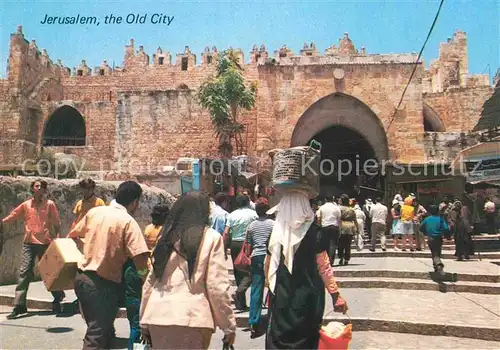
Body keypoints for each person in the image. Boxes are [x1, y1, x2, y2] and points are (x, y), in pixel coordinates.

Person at [139, 191, 237, 349]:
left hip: (157, 316)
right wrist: (228, 326)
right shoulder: (211, 237)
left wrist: (144, 320)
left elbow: (151, 281)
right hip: (193, 318)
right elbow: (216, 286)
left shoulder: (165, 238)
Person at [69, 181, 150, 350]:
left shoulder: (95, 212)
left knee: (103, 332)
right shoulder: (128, 221)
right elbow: (140, 258)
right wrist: (145, 279)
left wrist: (89, 251)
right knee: (97, 335)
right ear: (135, 202)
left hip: (81, 279)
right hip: (101, 284)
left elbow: (73, 235)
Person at [265, 190, 348, 349]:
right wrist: (335, 295)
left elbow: (268, 265)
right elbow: (324, 267)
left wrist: (269, 285)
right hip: (309, 298)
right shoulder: (316, 233)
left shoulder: (276, 233)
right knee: (306, 339)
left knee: (279, 338)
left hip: (282, 295)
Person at [1, 179, 66, 319]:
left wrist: (58, 237)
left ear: (44, 190)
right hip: (29, 243)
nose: (39, 188)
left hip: (45, 243)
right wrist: (3, 222)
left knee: (48, 272)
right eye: (36, 186)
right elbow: (14, 215)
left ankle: (58, 296)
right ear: (33, 189)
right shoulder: (26, 205)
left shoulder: (49, 205)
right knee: (24, 272)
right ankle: (19, 306)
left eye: (41, 186)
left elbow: (56, 222)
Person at [223, 195, 258, 310]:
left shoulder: (232, 215)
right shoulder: (254, 214)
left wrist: (224, 247)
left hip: (235, 244)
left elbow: (226, 232)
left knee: (238, 270)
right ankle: (241, 291)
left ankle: (240, 303)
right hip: (249, 244)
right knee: (251, 270)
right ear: (248, 202)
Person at [246, 198, 274, 337]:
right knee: (273, 287)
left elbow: (248, 246)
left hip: (256, 257)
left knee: (256, 289)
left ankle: (253, 320)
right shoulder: (273, 224)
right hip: (270, 257)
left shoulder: (251, 226)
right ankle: (272, 318)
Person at [420, 204, 451, 275]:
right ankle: (437, 266)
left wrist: (426, 231)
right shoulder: (440, 219)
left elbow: (421, 228)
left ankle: (438, 266)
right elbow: (446, 228)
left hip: (430, 238)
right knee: (437, 252)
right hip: (439, 238)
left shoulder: (427, 219)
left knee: (434, 253)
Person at [316, 196, 341, 266]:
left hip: (324, 227)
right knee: (333, 244)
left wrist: (319, 227)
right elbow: (339, 219)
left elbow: (319, 218)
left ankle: (325, 261)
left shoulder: (322, 207)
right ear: (333, 199)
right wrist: (340, 229)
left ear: (325, 199)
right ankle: (331, 261)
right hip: (334, 226)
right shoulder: (336, 208)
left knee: (325, 244)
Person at [338, 196, 359, 265]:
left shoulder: (339, 209)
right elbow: (355, 220)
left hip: (342, 226)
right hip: (350, 227)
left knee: (340, 244)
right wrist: (357, 229)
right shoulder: (351, 210)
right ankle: (346, 259)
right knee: (348, 245)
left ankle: (340, 257)